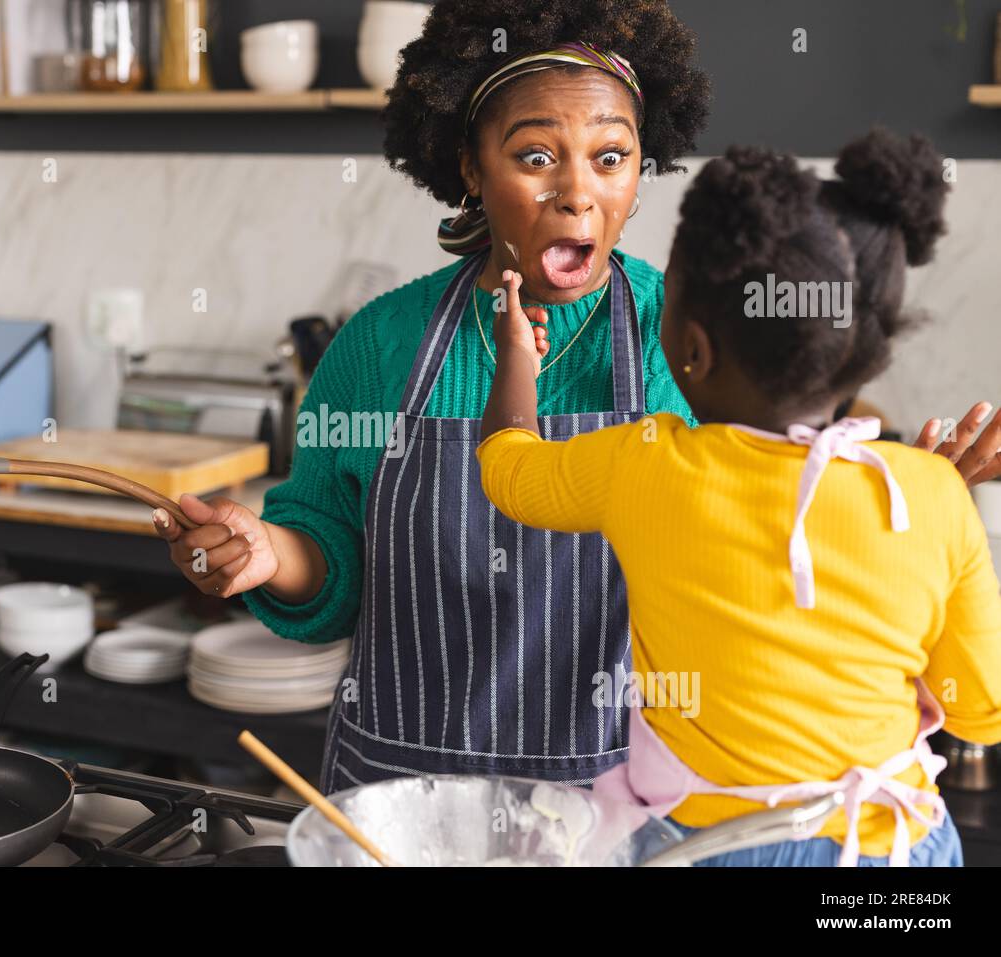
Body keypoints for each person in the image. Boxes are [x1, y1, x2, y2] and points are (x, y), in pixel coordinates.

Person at [152, 0, 1000, 795]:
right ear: (469, 169)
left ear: (640, 167)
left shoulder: (695, 344)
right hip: (402, 802)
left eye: (610, 156)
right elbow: (329, 554)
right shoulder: (379, 343)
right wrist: (266, 555)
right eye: (534, 156)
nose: (577, 191)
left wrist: (903, 505)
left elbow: (780, 538)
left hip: (616, 804)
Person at [476, 130, 1001, 866]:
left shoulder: (645, 464)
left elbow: (508, 469)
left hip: (712, 850)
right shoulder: (931, 492)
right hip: (894, 851)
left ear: (692, 347)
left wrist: (516, 362)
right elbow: (982, 709)